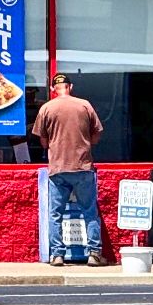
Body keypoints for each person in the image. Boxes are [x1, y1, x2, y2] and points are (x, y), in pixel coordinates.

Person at [31, 72, 105, 267]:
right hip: (82, 166)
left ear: (54, 89)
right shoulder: (84, 105)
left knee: (55, 214)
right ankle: (94, 254)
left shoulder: (47, 108)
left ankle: (57, 255)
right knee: (89, 211)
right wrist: (86, 144)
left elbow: (43, 142)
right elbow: (97, 134)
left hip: (58, 167)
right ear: (70, 87)